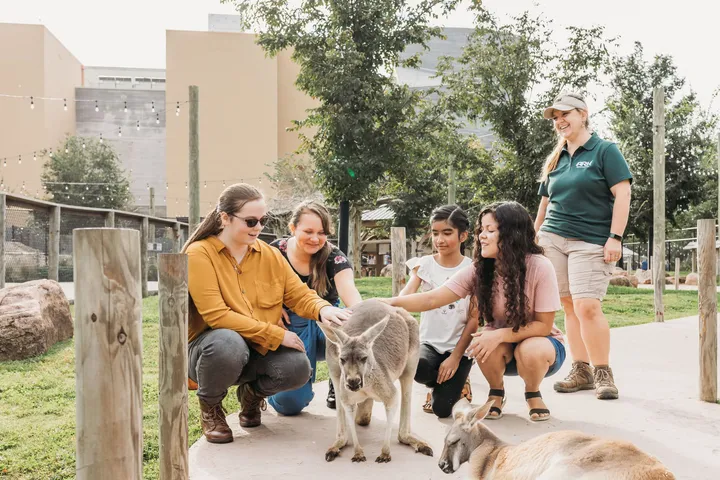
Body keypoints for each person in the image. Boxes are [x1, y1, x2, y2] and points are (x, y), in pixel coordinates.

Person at [184, 183, 350, 444]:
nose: (258, 228)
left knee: (297, 367)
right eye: (251, 221)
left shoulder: (269, 255)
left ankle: (251, 396)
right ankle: (211, 408)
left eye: (263, 220)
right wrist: (276, 334)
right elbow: (217, 316)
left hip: (256, 349)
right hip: (211, 352)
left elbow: (298, 294)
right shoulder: (199, 254)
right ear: (225, 218)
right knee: (228, 341)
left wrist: (323, 309)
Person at [386, 202, 565, 421]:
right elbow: (433, 298)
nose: (482, 236)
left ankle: (532, 392)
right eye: (482, 229)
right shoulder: (480, 269)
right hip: (499, 348)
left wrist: (499, 334)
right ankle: (496, 391)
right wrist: (384, 303)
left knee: (528, 348)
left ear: (512, 233)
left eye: (491, 230)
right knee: (482, 340)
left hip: (541, 345)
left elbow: (543, 326)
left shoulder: (539, 265)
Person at [534, 92, 632, 400]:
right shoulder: (556, 159)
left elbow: (623, 194)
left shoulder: (605, 151)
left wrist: (615, 237)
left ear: (583, 114)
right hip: (552, 238)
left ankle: (603, 372)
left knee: (587, 306)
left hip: (590, 240)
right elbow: (544, 205)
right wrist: (532, 238)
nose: (560, 121)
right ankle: (581, 370)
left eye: (565, 114)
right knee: (567, 305)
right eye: (555, 117)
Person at [267, 201, 363, 415]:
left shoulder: (334, 257)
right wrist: (270, 309)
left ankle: (338, 378)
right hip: (288, 324)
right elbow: (252, 288)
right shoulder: (274, 251)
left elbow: (351, 295)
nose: (315, 238)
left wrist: (363, 319)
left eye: (321, 232)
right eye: (308, 231)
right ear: (292, 229)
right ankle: (263, 387)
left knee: (348, 324)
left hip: (326, 324)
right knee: (289, 405)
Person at [399, 205, 476, 418]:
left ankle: (460, 381)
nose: (439, 239)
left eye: (447, 233)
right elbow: (405, 297)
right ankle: (437, 385)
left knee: (442, 410)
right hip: (429, 344)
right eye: (435, 233)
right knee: (417, 367)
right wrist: (389, 304)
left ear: (463, 236)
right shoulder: (423, 265)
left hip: (459, 348)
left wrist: (456, 358)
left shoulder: (474, 270)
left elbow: (473, 320)